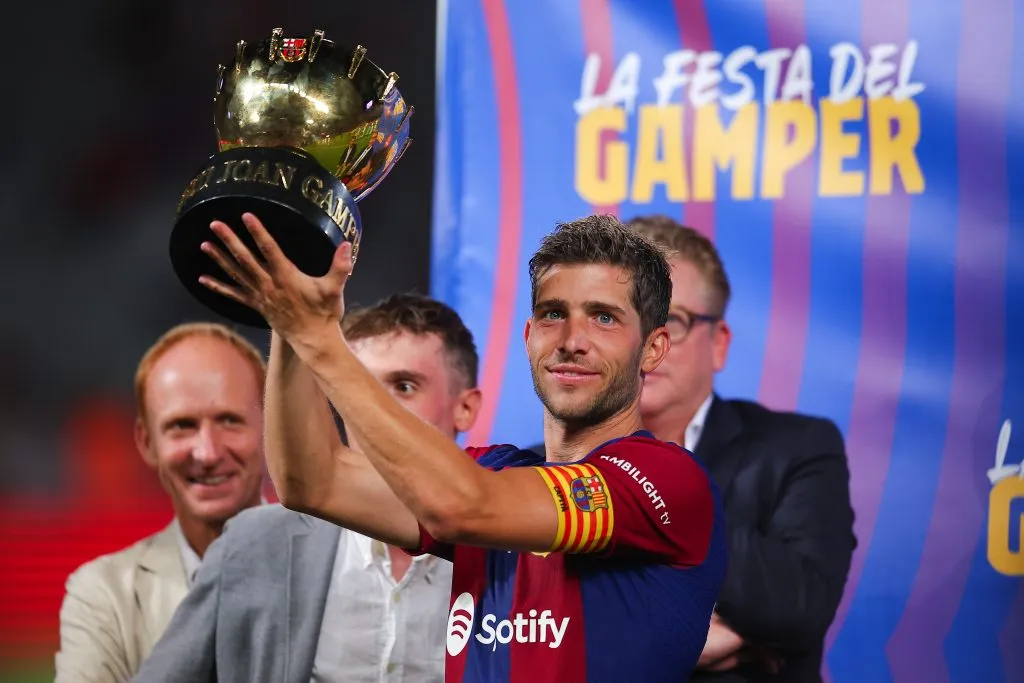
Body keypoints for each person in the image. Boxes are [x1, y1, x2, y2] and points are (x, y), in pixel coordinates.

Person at [196, 212, 727, 682]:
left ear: (653, 348)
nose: (571, 338)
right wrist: (289, 325)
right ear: (527, 336)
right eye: (552, 313)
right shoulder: (494, 471)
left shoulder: (663, 479)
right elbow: (313, 482)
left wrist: (323, 342)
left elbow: (461, 505)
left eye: (604, 317)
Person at [131, 293, 482, 683]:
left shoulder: (508, 556)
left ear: (465, 408)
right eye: (358, 389)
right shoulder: (251, 545)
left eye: (403, 386)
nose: (372, 411)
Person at [628, 215, 855, 682]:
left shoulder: (797, 449)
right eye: (623, 317)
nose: (647, 342)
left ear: (719, 344)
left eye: (671, 319)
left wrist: (646, 496)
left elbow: (801, 606)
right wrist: (683, 638)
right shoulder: (554, 465)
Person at [55, 322, 268, 683]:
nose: (208, 452)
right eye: (182, 425)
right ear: (146, 442)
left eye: (230, 421)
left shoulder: (335, 568)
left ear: (270, 426)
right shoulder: (102, 594)